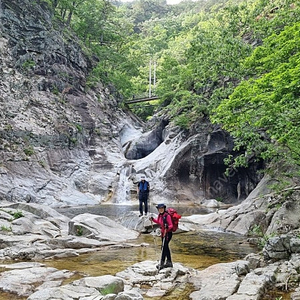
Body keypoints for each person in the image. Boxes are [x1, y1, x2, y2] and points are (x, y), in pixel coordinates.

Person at [149, 203, 173, 270]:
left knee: (164, 248)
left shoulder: (167, 216)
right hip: (163, 234)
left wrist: (167, 227)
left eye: (162, 208)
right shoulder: (160, 215)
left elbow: (171, 225)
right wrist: (153, 219)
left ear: (164, 209)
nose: (161, 210)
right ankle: (169, 262)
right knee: (166, 248)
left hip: (168, 234)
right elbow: (159, 222)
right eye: (159, 209)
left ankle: (161, 264)